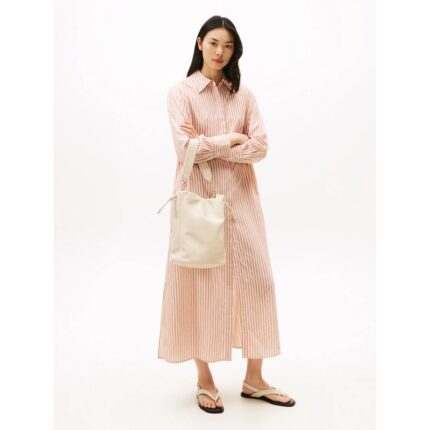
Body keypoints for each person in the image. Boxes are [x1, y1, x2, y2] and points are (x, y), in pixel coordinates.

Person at [157, 15, 295, 413]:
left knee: (259, 282)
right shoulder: (181, 94)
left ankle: (255, 379)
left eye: (229, 46)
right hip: (199, 201)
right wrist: (231, 140)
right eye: (215, 43)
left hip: (243, 202)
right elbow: (185, 149)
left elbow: (261, 147)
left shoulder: (243, 95)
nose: (221, 52)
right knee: (200, 286)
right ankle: (204, 379)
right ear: (200, 42)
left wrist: (215, 146)